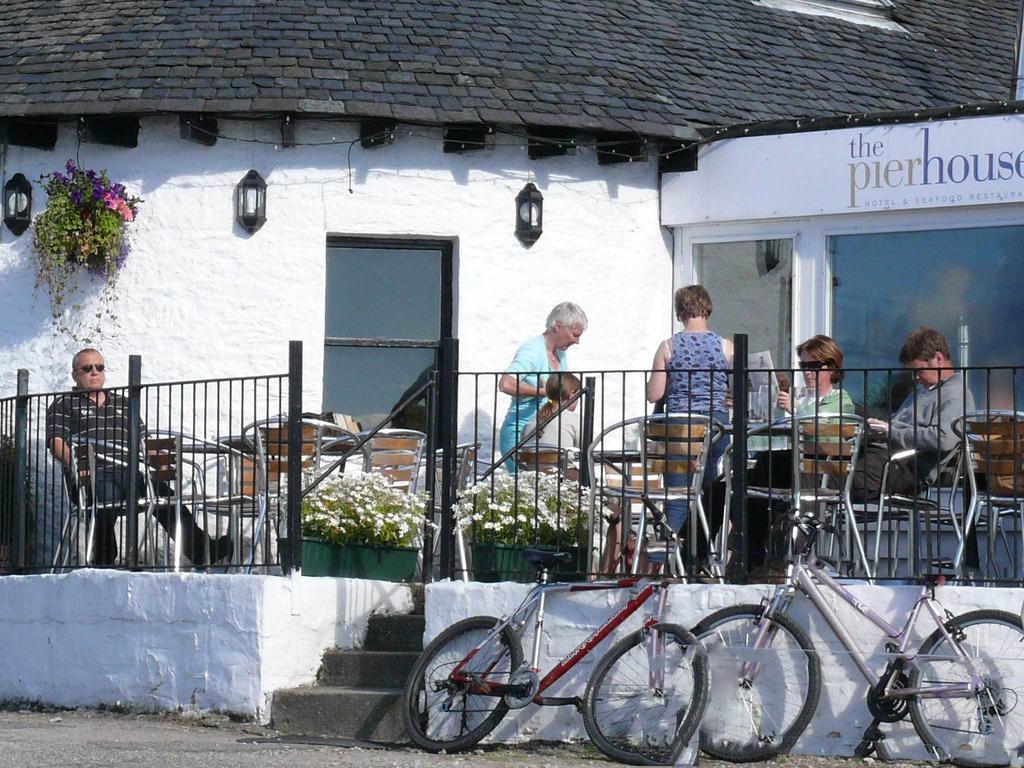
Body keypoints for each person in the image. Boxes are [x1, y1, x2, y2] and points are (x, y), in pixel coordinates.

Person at [46, 348, 232, 567]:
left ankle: (202, 552)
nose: (94, 372)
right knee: (105, 496)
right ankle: (104, 560)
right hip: (93, 476)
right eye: (87, 368)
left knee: (167, 497)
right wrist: (77, 465)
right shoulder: (65, 403)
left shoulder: (124, 403)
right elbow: (55, 442)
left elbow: (144, 440)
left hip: (130, 473)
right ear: (75, 375)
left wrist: (161, 461)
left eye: (99, 367)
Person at [747, 335, 856, 573]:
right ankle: (693, 549)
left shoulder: (841, 401)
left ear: (832, 367)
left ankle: (754, 561)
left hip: (824, 472)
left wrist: (795, 411)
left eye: (814, 366)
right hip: (798, 468)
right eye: (804, 366)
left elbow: (826, 438)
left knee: (762, 471)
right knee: (728, 485)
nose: (807, 373)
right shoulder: (802, 398)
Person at [645, 285, 733, 537]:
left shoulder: (668, 346)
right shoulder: (726, 347)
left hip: (680, 428)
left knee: (677, 498)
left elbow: (654, 394)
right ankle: (702, 557)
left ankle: (668, 561)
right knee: (709, 496)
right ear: (707, 309)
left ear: (680, 311)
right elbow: (737, 391)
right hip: (715, 427)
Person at [851, 327, 974, 502]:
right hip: (883, 460)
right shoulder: (923, 391)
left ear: (938, 358)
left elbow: (944, 438)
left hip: (902, 470)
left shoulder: (955, 394)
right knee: (851, 413)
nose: (915, 377)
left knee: (825, 478)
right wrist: (882, 429)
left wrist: (891, 432)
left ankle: (807, 524)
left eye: (918, 370)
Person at [498, 302, 587, 467]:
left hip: (546, 432)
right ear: (558, 326)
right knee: (526, 489)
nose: (577, 341)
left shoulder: (560, 354)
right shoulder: (532, 351)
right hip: (521, 434)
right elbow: (506, 383)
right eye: (575, 335)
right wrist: (543, 392)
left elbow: (566, 399)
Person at [521, 373, 582, 450]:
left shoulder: (531, 421)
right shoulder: (575, 420)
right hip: (562, 462)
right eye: (578, 396)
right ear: (572, 394)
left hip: (533, 462)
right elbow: (586, 452)